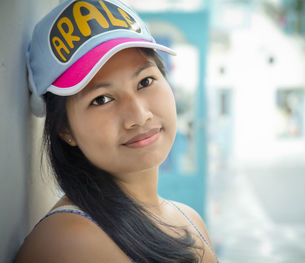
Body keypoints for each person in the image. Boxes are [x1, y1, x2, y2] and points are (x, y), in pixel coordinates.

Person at [14, 0, 217, 262]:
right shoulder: (70, 242)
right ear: (65, 129)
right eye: (102, 99)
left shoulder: (191, 219)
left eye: (145, 81)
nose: (139, 115)